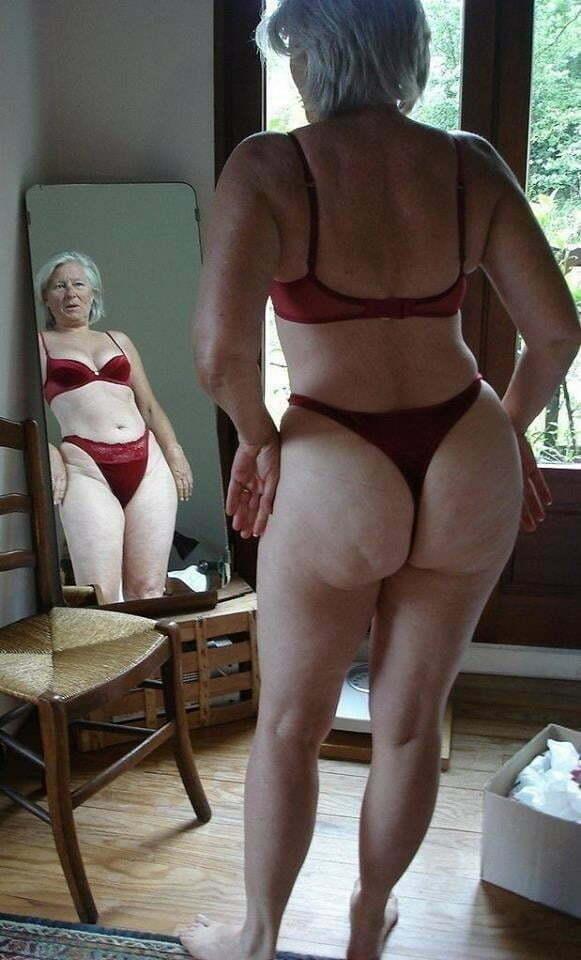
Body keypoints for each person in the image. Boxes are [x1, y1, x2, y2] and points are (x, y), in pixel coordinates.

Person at [182, 1, 581, 958]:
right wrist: (506, 434)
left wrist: (258, 438)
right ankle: (368, 921)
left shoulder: (269, 166)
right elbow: (557, 334)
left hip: (335, 455)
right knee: (409, 724)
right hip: (464, 445)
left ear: (311, 58)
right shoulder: (468, 162)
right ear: (409, 52)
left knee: (289, 724)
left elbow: (220, 353)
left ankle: (257, 938)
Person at [36, 251, 194, 603]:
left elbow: (148, 405)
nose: (71, 293)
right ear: (46, 297)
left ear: (93, 293)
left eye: (79, 284)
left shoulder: (118, 340)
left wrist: (174, 451)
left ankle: (151, 644)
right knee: (102, 595)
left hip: (148, 461)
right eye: (60, 286)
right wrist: (49, 451)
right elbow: (20, 412)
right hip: (86, 465)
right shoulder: (40, 344)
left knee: (148, 590)